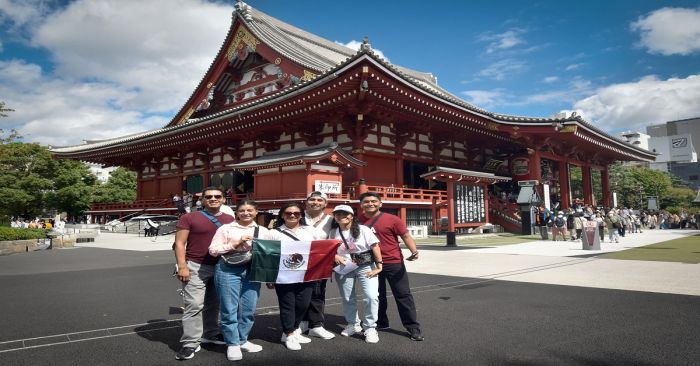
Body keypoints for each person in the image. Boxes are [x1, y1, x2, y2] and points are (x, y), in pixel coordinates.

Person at [173, 187, 235, 360]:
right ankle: (190, 342)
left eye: (217, 196)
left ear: (223, 199)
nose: (213, 199)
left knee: (214, 303)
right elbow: (179, 243)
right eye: (209, 197)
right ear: (202, 200)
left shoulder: (230, 219)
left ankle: (211, 332)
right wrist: (182, 266)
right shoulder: (189, 217)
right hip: (195, 265)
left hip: (222, 265)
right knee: (194, 304)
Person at [357, 192, 424, 341]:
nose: (370, 204)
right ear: (361, 205)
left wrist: (414, 251)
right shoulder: (357, 221)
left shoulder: (392, 219)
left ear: (380, 203)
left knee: (403, 294)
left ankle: (413, 327)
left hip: (393, 262)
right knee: (376, 295)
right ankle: (381, 322)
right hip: (370, 263)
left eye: (374, 201)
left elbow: (406, 236)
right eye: (366, 202)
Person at [209, 200, 268, 361]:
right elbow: (213, 250)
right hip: (228, 269)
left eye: (250, 210)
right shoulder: (226, 228)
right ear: (237, 212)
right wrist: (236, 243)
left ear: (256, 211)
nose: (246, 213)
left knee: (248, 308)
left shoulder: (262, 230)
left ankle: (242, 339)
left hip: (253, 270)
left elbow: (269, 253)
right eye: (242, 210)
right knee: (229, 308)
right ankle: (232, 343)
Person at [267, 202, 326, 351]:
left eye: (296, 213)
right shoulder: (274, 233)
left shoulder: (310, 231)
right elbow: (268, 256)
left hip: (306, 274)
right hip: (283, 276)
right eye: (288, 213)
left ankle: (293, 329)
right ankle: (289, 333)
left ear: (301, 215)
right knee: (287, 304)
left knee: (303, 304)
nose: (292, 215)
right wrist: (269, 277)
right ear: (282, 215)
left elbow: (320, 250)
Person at [331, 204, 383, 343]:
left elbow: (375, 246)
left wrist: (379, 265)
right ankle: (353, 324)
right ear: (334, 217)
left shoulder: (363, 229)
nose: (341, 216)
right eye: (338, 214)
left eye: (345, 214)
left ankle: (370, 327)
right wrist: (334, 256)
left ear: (352, 216)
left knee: (371, 296)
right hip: (344, 267)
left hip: (365, 265)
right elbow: (330, 249)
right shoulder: (333, 231)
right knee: (348, 298)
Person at [299, 191, 335, 340]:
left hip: (321, 261)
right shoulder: (297, 216)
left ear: (325, 204)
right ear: (306, 202)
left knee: (318, 292)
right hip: (299, 260)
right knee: (299, 293)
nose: (316, 202)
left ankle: (316, 325)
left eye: (320, 200)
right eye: (312, 199)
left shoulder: (331, 220)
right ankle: (301, 321)